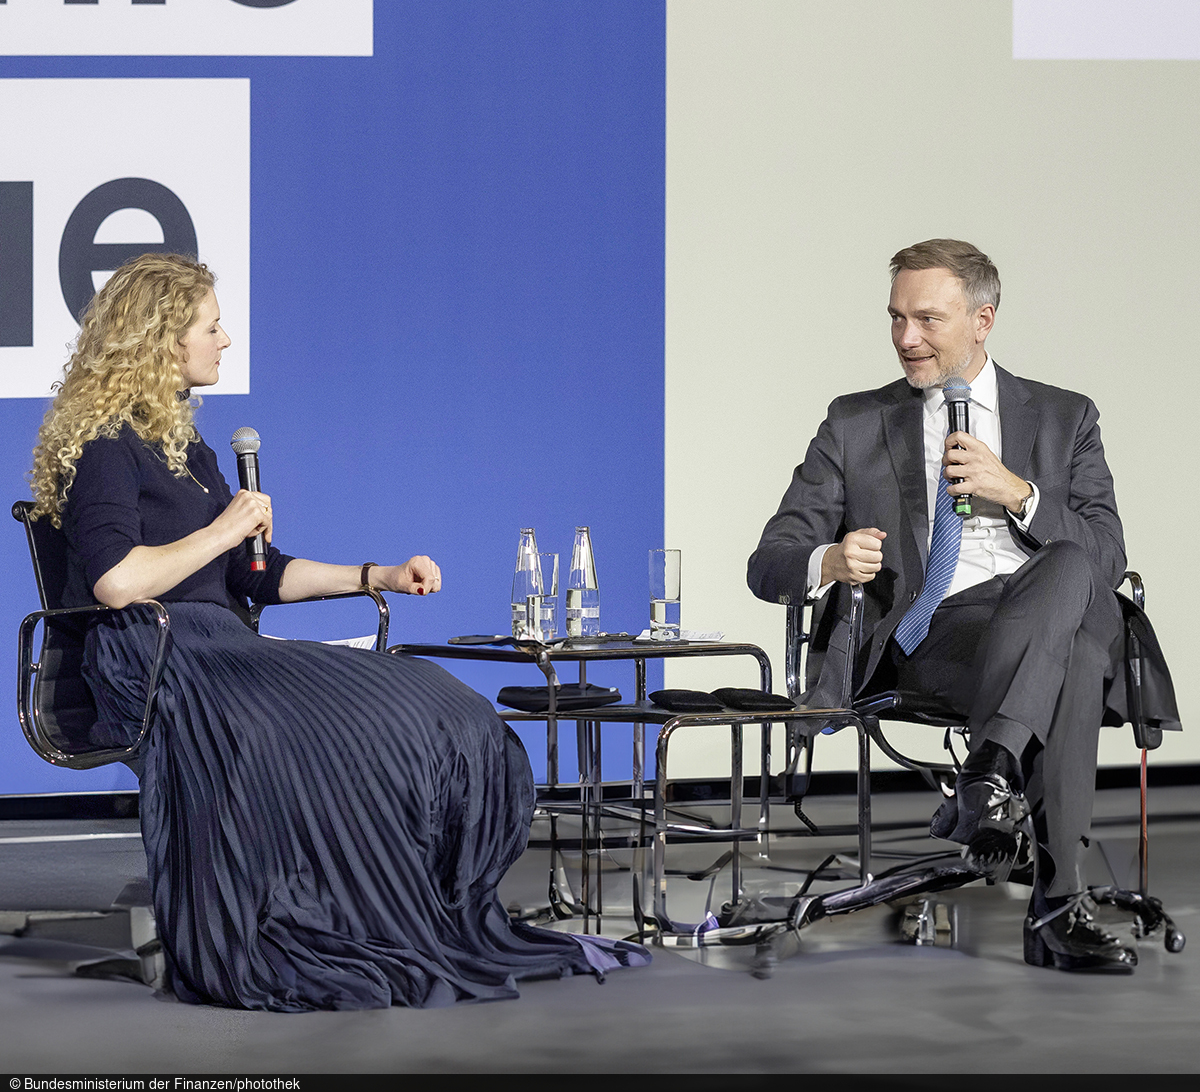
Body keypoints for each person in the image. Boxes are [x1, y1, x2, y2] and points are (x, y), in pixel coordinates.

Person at [29, 252, 647, 1011]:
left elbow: (255, 578)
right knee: (312, 728)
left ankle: (416, 911)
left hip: (222, 645)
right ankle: (300, 922)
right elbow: (116, 580)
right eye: (212, 327)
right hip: (158, 658)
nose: (225, 341)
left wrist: (374, 576)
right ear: (161, 341)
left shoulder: (186, 449)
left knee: (427, 699)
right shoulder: (105, 446)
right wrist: (226, 529)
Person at [747, 238, 1178, 974]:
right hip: (934, 640)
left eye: (927, 320)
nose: (905, 338)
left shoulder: (1064, 416)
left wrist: (1020, 495)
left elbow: (1107, 558)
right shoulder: (855, 423)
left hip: (1049, 613)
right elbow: (769, 559)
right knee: (1074, 656)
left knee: (1071, 576)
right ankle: (1053, 909)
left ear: (983, 319)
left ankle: (986, 772)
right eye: (895, 319)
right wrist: (831, 558)